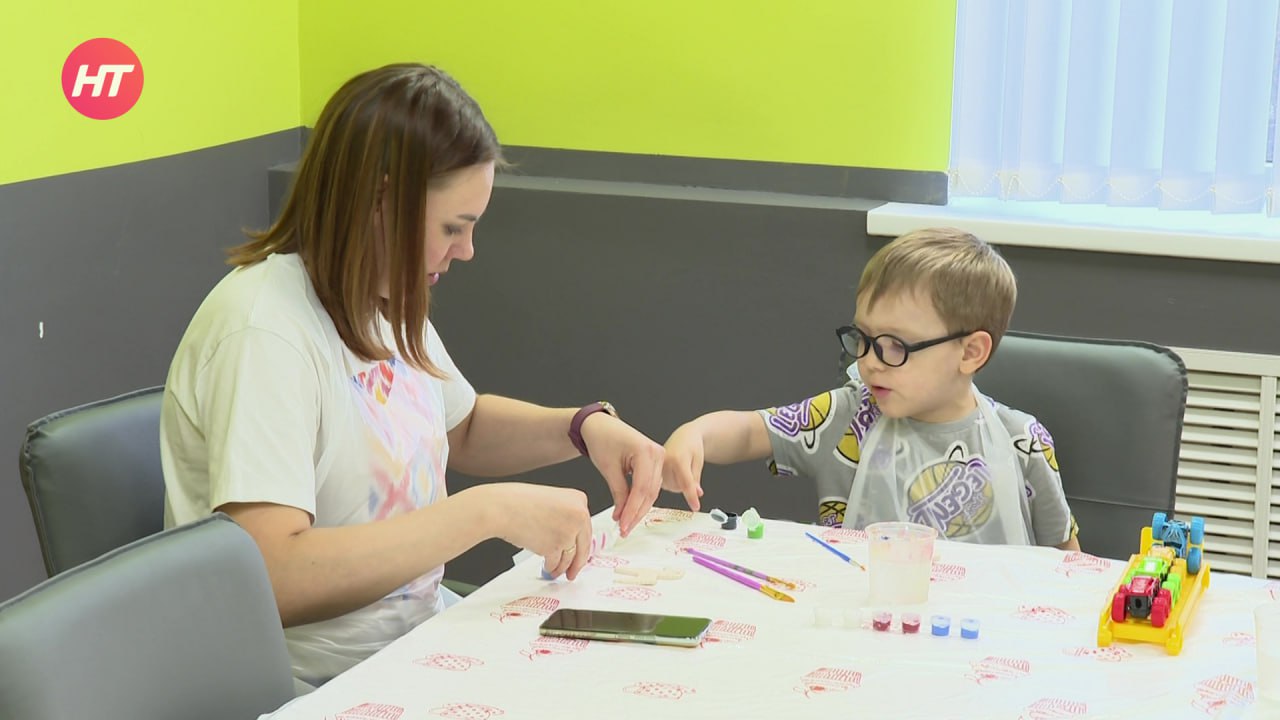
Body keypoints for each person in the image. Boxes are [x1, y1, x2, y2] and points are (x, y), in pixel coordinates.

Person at [160, 63, 697, 687]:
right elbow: (272, 575)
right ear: (380, 202)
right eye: (452, 228)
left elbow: (460, 427)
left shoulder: (379, 298)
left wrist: (582, 428)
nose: (466, 251)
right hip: (305, 684)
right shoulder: (263, 332)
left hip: (413, 644)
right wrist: (485, 512)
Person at [662, 228, 1080, 550]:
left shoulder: (1023, 442)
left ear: (970, 352)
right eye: (863, 337)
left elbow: (1068, 563)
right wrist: (695, 434)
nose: (870, 361)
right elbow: (749, 431)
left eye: (896, 345)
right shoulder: (847, 417)